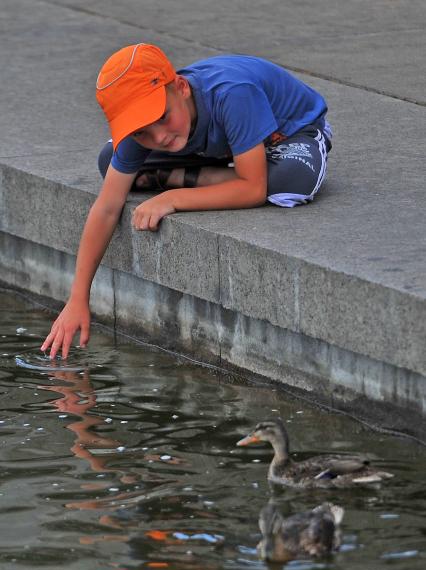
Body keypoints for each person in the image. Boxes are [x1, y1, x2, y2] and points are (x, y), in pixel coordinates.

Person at [41, 43, 332, 360]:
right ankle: (223, 171)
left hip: (287, 136)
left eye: (162, 117)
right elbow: (108, 205)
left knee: (290, 183)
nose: (159, 137)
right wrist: (78, 298)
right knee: (109, 160)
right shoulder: (159, 128)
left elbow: (253, 190)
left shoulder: (232, 93)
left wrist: (175, 197)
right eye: (141, 133)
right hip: (223, 152)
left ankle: (206, 174)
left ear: (180, 87)